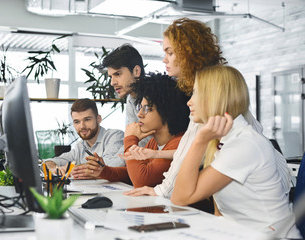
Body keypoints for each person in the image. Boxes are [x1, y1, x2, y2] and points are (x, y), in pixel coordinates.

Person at [124, 17, 291, 200]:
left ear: (188, 52)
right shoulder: (203, 84)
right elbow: (191, 147)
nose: (165, 59)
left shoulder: (212, 89)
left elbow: (192, 144)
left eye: (170, 52)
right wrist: (158, 163)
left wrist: (161, 190)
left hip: (262, 184)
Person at [171, 65, 300, 238]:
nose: (189, 101)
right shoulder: (225, 141)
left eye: (196, 92)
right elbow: (220, 211)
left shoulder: (245, 144)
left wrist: (199, 141)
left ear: (215, 96)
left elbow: (180, 198)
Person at [80, 73, 190, 187]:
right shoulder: (154, 142)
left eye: (147, 108)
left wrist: (130, 139)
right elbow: (131, 173)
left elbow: (142, 180)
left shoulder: (179, 143)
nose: (139, 114)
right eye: (140, 107)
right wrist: (104, 171)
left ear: (166, 112)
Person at [44, 98, 124, 177]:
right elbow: (51, 161)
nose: (82, 126)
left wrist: (72, 169)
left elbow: (110, 164)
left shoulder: (114, 136)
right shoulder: (80, 146)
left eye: (87, 119)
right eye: (77, 122)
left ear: (98, 119)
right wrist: (53, 168)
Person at [102, 43, 150, 147]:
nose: (112, 82)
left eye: (118, 74)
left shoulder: (155, 96)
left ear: (136, 71)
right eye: (110, 76)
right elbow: (134, 139)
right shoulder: (131, 99)